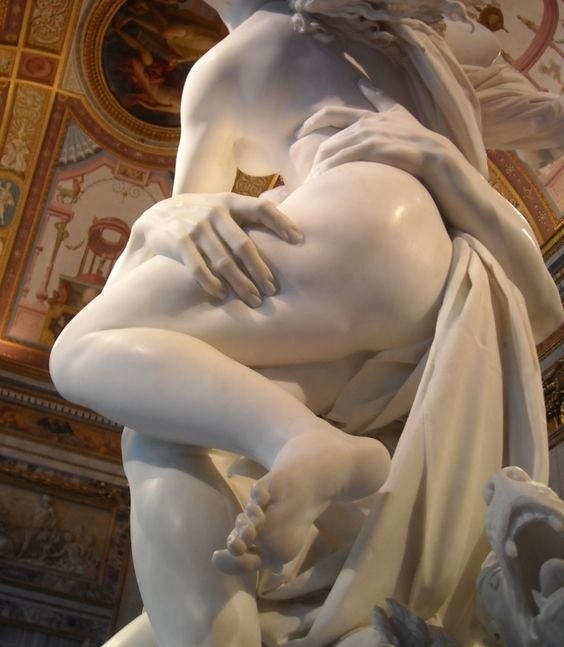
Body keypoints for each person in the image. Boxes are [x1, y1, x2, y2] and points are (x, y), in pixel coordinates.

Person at [50, 1, 563, 645]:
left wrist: (155, 221)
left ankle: (303, 441)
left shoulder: (223, 68)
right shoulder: (399, 36)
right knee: (161, 427)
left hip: (347, 226)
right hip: (412, 276)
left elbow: (172, 252)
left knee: (82, 349)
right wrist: (443, 162)